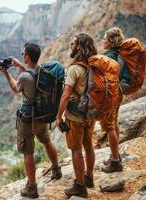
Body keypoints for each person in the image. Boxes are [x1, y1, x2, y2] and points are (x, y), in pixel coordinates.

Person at [0, 43, 62, 198]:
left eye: (23, 53)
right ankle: (56, 169)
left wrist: (6, 73)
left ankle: (32, 187)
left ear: (27, 56)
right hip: (42, 116)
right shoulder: (40, 70)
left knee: (28, 152)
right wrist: (20, 65)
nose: (21, 55)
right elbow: (31, 74)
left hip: (28, 119)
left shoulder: (25, 76)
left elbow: (15, 88)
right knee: (47, 141)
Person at [56, 33, 97, 198]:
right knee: (88, 145)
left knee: (76, 149)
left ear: (79, 47)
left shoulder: (74, 69)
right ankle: (89, 177)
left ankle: (80, 186)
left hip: (75, 116)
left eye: (73, 44)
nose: (71, 46)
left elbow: (66, 96)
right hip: (91, 114)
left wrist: (59, 116)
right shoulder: (94, 65)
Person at [100, 27, 128, 172]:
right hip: (119, 91)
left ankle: (115, 162)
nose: (102, 41)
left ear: (110, 42)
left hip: (111, 94)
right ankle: (114, 155)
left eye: (104, 39)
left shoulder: (108, 57)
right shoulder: (120, 54)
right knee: (114, 123)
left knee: (109, 126)